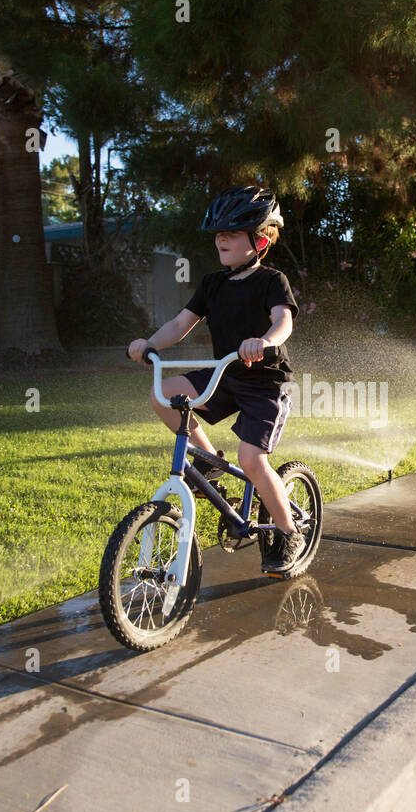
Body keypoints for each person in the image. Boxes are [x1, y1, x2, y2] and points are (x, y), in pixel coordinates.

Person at [127, 186, 305, 573]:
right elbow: (180, 324)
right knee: (163, 395)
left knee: (252, 460)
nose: (221, 238)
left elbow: (283, 320)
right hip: (225, 374)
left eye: (232, 233)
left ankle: (287, 531)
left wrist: (265, 341)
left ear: (259, 240)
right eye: (219, 233)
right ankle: (208, 464)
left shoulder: (272, 280)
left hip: (266, 383)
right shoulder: (212, 284)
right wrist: (149, 344)